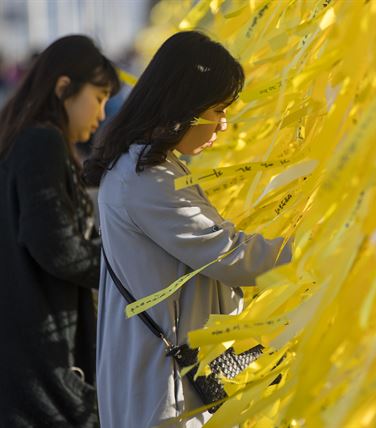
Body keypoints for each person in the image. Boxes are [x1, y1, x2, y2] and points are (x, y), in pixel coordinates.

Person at [84, 31, 292, 428]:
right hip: (162, 396)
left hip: (166, 384)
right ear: (184, 104)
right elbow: (229, 255)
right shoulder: (144, 180)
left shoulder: (149, 167)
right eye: (217, 109)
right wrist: (316, 250)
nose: (224, 125)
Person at [0, 35, 120, 427]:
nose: (102, 114)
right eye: (99, 98)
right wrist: (124, 265)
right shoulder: (42, 142)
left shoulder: (24, 137)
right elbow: (56, 246)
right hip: (40, 360)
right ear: (63, 87)